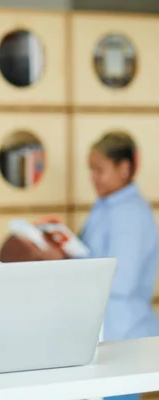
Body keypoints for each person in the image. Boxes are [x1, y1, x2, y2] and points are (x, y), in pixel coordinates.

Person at [81, 132, 158, 400]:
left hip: (123, 333)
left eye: (99, 170)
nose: (93, 178)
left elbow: (120, 280)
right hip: (104, 332)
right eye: (91, 170)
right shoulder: (105, 206)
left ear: (124, 169)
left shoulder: (131, 214)